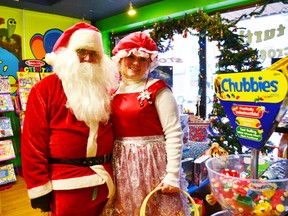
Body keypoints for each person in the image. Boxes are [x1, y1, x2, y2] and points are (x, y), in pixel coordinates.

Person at [21, 22, 119, 216]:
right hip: (65, 184)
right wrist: (39, 187)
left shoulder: (107, 90)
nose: (88, 58)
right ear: (69, 55)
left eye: (94, 53)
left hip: (104, 181)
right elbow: (33, 143)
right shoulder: (44, 89)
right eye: (82, 51)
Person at [105, 32, 190, 215]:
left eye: (142, 59)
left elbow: (174, 134)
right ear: (120, 59)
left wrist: (173, 175)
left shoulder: (158, 90)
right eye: (131, 57)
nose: (136, 63)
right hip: (122, 165)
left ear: (149, 63)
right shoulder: (111, 91)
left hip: (153, 164)